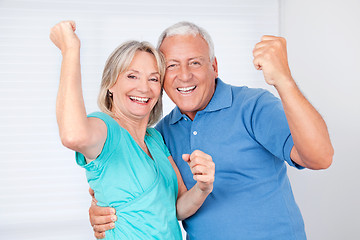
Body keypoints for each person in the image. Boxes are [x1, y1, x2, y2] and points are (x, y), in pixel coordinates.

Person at [89, 21, 334, 239]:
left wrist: (284, 79)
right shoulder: (160, 135)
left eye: (195, 62)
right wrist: (104, 211)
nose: (184, 76)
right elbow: (157, 202)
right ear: (161, 76)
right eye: (172, 65)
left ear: (214, 66)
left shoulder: (253, 105)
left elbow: (320, 157)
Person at [50, 21, 215, 239]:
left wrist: (203, 187)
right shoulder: (105, 129)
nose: (144, 87)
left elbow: (176, 208)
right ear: (111, 83)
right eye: (132, 76)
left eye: (153, 78)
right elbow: (73, 135)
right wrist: (70, 50)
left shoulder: (155, 138)